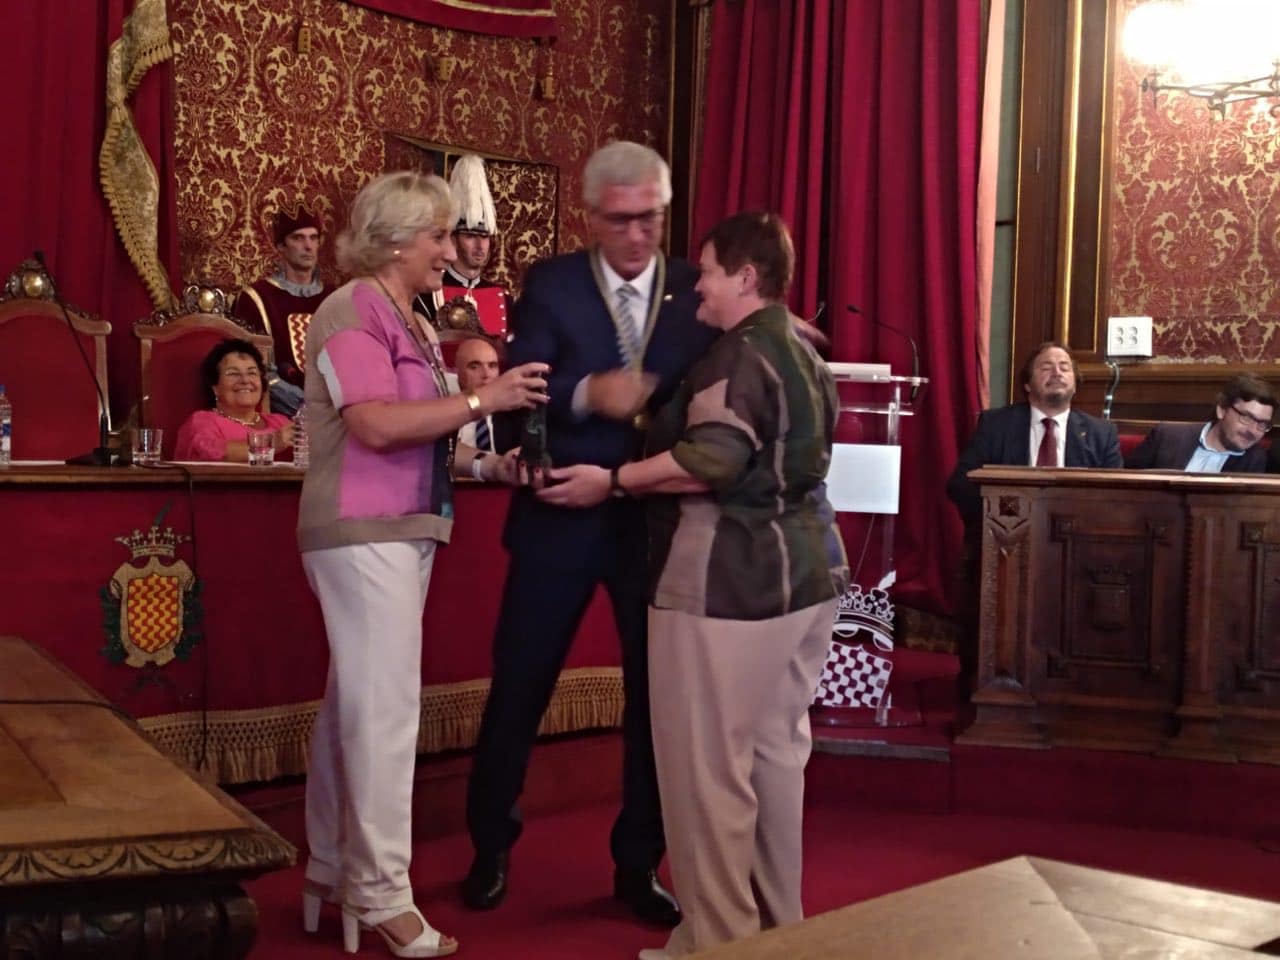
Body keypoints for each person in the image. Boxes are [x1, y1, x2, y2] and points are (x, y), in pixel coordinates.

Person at [540, 211, 849, 958]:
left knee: (709, 775)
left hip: (729, 585)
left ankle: (718, 943)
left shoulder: (738, 356)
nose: (697, 286)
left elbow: (709, 460)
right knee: (775, 760)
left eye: (707, 272)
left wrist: (613, 480)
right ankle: (776, 932)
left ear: (746, 277)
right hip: (810, 576)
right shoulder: (803, 351)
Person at [460, 140, 718, 926]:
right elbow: (523, 386)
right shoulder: (554, 283)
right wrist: (587, 393)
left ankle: (639, 862)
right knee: (520, 687)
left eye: (651, 219)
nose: (637, 236)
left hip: (654, 520)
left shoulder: (692, 287)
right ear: (590, 217)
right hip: (559, 515)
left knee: (655, 701)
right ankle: (489, 845)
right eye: (620, 220)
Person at [296, 170, 548, 958]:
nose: (451, 249)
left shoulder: (407, 314)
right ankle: (380, 893)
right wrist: (484, 402)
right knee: (384, 711)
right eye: (439, 235)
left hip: (401, 528)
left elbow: (423, 432)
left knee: (356, 704)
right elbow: (375, 425)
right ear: (397, 239)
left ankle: (331, 866)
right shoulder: (351, 308)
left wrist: (485, 465)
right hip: (362, 528)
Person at [946, 340, 1123, 524]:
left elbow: (1117, 497)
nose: (1057, 373)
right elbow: (961, 485)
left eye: (1065, 367)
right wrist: (1003, 517)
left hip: (1077, 533)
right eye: (1046, 368)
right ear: (1027, 384)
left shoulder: (1102, 434)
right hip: (1008, 529)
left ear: (1075, 385)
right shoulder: (995, 426)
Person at [232, 203, 332, 416]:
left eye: (313, 238)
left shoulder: (335, 297)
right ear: (281, 246)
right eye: (298, 238)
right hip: (284, 417)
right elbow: (252, 369)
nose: (308, 246)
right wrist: (307, 407)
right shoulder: (257, 298)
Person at [413, 154, 511, 339]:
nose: (480, 246)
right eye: (470, 236)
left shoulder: (503, 297)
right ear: (453, 239)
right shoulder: (427, 292)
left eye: (484, 237)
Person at [173, 338, 295, 462]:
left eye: (252, 373)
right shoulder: (202, 421)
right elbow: (213, 454)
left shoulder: (280, 422)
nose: (245, 380)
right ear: (215, 387)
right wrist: (271, 443)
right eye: (233, 374)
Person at [1126, 373, 1274, 473]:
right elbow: (1124, 486)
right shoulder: (1166, 436)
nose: (1253, 431)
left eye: (1262, 424)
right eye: (1246, 417)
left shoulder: (1256, 460)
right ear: (1222, 410)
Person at [454, 336, 502, 454]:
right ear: (457, 371)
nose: (486, 374)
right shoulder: (445, 413)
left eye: (492, 366)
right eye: (474, 367)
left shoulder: (514, 414)